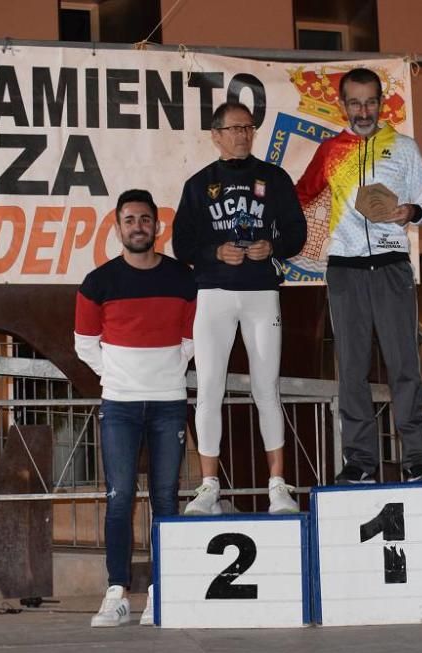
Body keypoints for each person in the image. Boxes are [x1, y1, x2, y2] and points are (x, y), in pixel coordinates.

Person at [296, 67, 422, 484]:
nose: (363, 110)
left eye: (370, 102)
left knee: (404, 366)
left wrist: (410, 212)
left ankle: (416, 457)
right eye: (354, 102)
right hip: (345, 269)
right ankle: (360, 460)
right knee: (353, 368)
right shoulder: (330, 151)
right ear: (342, 105)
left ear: (382, 103)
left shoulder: (404, 147)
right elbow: (300, 195)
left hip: (393, 266)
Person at [173, 102, 307, 514]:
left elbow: (296, 233)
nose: (243, 136)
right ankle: (209, 484)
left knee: (267, 388)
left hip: (261, 292)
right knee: (209, 386)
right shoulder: (198, 184)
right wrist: (216, 252)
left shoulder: (274, 178)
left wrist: (274, 247)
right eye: (233, 129)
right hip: (213, 293)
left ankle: (278, 486)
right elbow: (182, 245)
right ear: (215, 135)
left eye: (248, 128)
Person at [74, 189, 196, 627]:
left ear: (156, 226)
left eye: (145, 219)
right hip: (120, 406)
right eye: (129, 220)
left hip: (168, 404)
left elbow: (191, 339)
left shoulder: (184, 278)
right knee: (120, 497)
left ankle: (163, 591)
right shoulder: (98, 282)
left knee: (166, 497)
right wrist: (121, 375)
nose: (138, 226)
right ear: (118, 226)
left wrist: (163, 372)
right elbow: (84, 344)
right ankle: (117, 593)